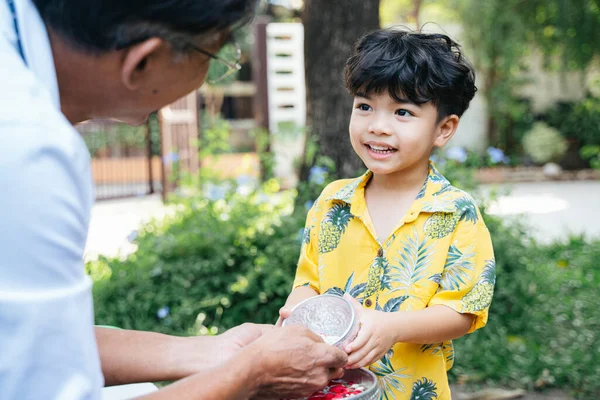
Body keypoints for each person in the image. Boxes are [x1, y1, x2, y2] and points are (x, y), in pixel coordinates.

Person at [0, 0, 347, 399]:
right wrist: (248, 376)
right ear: (144, 61)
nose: (209, 76)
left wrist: (216, 352)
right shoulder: (26, 152)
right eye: (213, 56)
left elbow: (41, 344)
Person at [278, 28, 495, 399]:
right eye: (364, 106)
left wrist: (393, 327)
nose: (377, 125)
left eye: (402, 112)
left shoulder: (456, 212)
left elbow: (462, 311)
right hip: (330, 387)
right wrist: (295, 314)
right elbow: (308, 282)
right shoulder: (333, 203)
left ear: (443, 129)